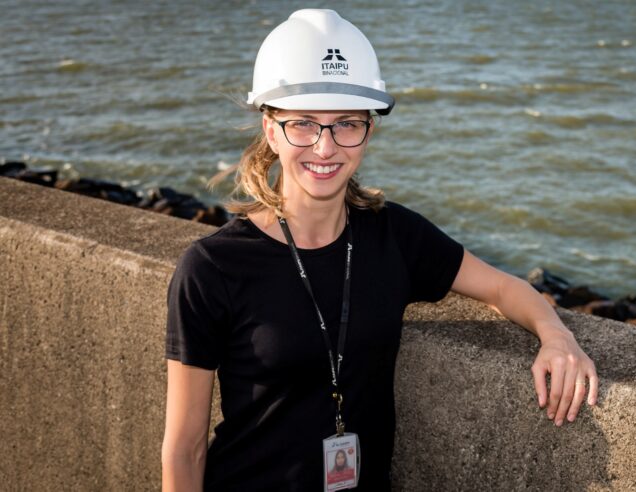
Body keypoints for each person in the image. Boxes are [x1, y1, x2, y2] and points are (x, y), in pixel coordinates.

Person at [161, 8, 598, 491]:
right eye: (303, 124)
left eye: (347, 124)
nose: (325, 148)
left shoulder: (396, 237)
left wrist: (557, 337)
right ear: (271, 130)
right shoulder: (212, 268)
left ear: (370, 130)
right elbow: (185, 450)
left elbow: (501, 286)